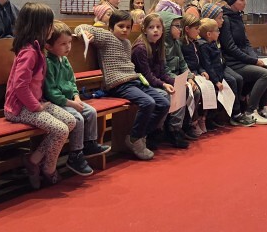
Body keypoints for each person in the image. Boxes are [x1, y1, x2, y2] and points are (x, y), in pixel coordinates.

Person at [75, 11, 165, 161]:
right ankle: (135, 139)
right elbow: (81, 27)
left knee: (163, 102)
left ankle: (139, 135)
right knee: (148, 102)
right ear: (111, 27)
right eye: (121, 26)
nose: (125, 30)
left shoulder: (127, 43)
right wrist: (83, 33)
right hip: (118, 84)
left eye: (128, 27)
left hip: (133, 80)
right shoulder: (107, 37)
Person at [4, 2, 78, 188]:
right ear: (40, 26)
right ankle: (49, 169)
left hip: (34, 103)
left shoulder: (37, 48)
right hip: (18, 108)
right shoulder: (29, 52)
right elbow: (20, 86)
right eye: (50, 24)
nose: (52, 27)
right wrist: (36, 106)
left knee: (70, 121)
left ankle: (33, 160)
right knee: (61, 130)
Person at [43, 20, 110, 162]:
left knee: (91, 112)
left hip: (70, 100)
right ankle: (75, 153)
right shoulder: (48, 63)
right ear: (48, 46)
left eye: (69, 42)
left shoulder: (64, 60)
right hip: (57, 103)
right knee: (77, 118)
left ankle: (89, 144)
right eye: (63, 44)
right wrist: (71, 103)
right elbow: (51, 92)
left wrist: (76, 97)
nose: (68, 47)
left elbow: (71, 82)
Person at [218, 0, 267, 125]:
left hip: (244, 60)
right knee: (265, 74)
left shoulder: (238, 16)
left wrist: (254, 57)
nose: (245, 2)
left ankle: (262, 107)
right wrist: (253, 61)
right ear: (232, 1)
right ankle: (250, 111)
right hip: (233, 62)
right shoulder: (226, 19)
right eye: (242, 0)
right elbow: (230, 48)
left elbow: (246, 42)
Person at [131, 13, 188, 148]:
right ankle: (154, 131)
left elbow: (162, 73)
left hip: (154, 82)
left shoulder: (159, 45)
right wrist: (163, 84)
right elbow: (147, 76)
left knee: (181, 88)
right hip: (142, 84)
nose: (155, 30)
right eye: (151, 27)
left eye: (158, 27)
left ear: (163, 30)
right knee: (164, 95)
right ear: (144, 30)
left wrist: (176, 82)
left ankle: (174, 130)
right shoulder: (141, 48)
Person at [201, 2, 251, 126]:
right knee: (232, 80)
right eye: (220, 18)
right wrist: (216, 79)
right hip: (215, 70)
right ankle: (234, 114)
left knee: (239, 78)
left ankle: (239, 109)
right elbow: (208, 64)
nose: (223, 20)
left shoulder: (215, 36)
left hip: (221, 66)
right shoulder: (206, 42)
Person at [159, 10, 202, 139]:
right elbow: (164, 70)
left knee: (196, 91)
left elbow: (183, 64)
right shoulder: (162, 46)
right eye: (177, 26)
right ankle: (174, 129)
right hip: (167, 79)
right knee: (182, 90)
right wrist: (181, 81)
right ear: (167, 27)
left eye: (181, 26)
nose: (180, 29)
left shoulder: (177, 42)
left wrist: (189, 77)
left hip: (178, 77)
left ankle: (186, 124)